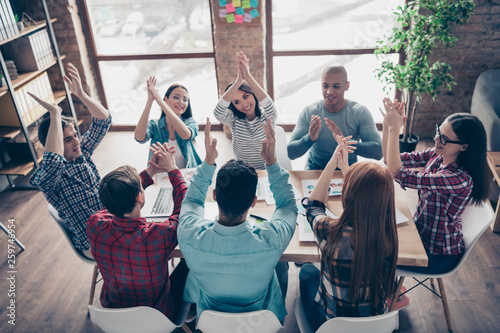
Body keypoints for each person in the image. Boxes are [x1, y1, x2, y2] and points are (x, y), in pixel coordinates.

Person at [177, 118, 297, 322]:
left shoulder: (188, 235)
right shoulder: (272, 239)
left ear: (215, 195)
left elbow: (192, 200)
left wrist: (208, 162)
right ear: (253, 201)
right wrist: (271, 161)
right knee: (281, 265)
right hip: (259, 322)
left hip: (211, 321)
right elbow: (287, 205)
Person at [299, 135, 398, 330]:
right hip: (375, 326)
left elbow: (313, 207)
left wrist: (333, 163)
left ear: (347, 192)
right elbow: (365, 195)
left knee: (306, 272)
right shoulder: (388, 235)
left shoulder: (329, 231)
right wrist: (346, 167)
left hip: (332, 325)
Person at [381, 98, 490, 274]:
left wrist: (395, 129)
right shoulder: (438, 155)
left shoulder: (458, 179)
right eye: (439, 131)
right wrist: (388, 125)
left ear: (464, 147)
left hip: (437, 254)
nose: (436, 139)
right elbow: (390, 159)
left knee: (372, 254)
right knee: (375, 237)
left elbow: (397, 172)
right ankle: (391, 290)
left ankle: (391, 293)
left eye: (444, 138)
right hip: (420, 235)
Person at [86, 143, 189, 321]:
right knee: (189, 263)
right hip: (157, 317)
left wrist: (150, 171)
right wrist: (173, 170)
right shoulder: (160, 236)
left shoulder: (95, 225)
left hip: (114, 316)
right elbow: (184, 210)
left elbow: (112, 200)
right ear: (139, 197)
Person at [29, 63, 112, 259]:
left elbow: (104, 121)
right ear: (55, 143)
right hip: (94, 243)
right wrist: (55, 114)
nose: (77, 141)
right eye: (68, 139)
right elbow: (54, 161)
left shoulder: (80, 152)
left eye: (75, 135)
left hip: (111, 225)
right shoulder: (48, 177)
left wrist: (81, 94)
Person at [287, 64, 382, 169]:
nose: (329, 91)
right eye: (325, 86)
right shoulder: (310, 112)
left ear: (347, 86)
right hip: (316, 169)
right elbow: (291, 153)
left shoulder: (359, 112)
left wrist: (345, 143)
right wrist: (309, 138)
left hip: (347, 170)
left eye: (336, 86)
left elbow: (378, 152)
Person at [214, 51, 277, 170]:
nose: (244, 104)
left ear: (253, 95)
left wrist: (247, 77)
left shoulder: (267, 116)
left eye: (246, 96)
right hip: (244, 172)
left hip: (268, 169)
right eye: (236, 102)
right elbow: (218, 113)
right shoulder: (234, 120)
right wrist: (238, 81)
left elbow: (269, 105)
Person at [134, 78, 201, 168]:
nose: (181, 102)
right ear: (166, 99)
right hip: (161, 176)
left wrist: (161, 103)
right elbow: (139, 138)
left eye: (185, 100)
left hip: (186, 175)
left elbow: (186, 135)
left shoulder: (190, 122)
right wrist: (150, 100)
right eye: (176, 97)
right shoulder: (154, 124)